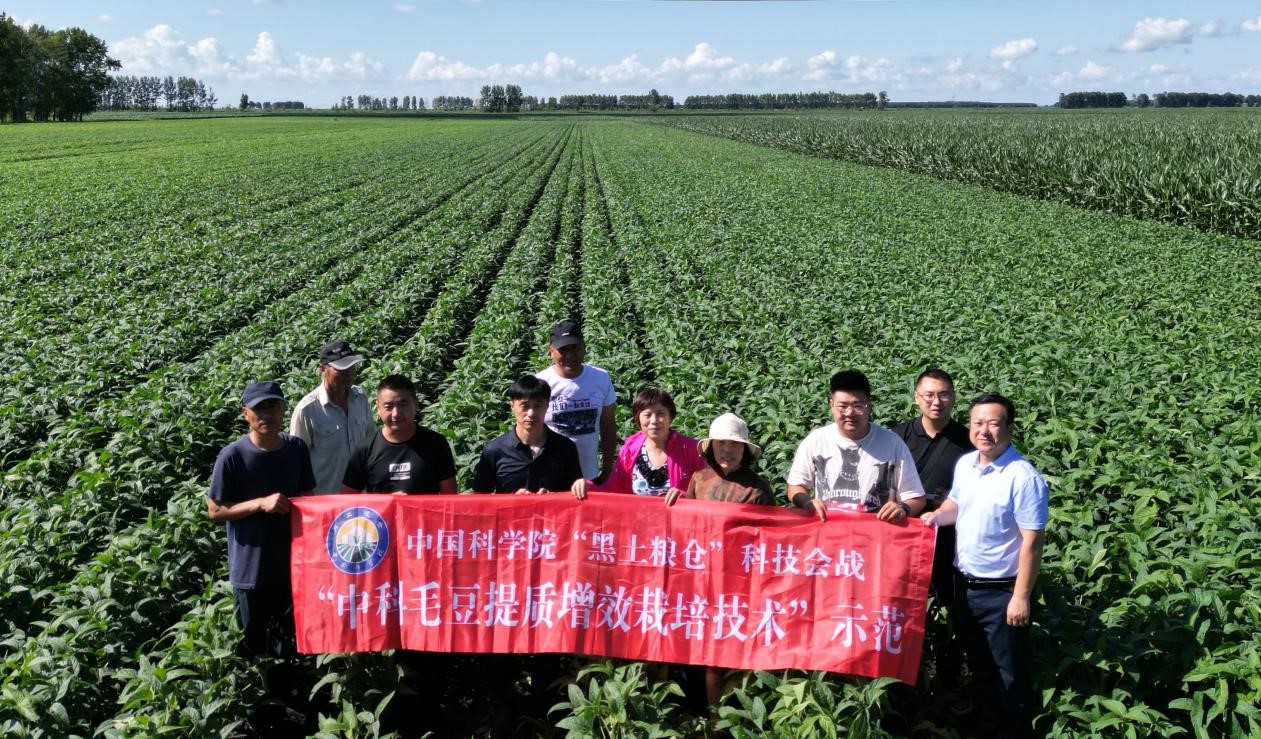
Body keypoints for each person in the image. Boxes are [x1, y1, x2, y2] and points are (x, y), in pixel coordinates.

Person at [922, 394, 1049, 739]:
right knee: (979, 666)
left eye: (994, 423)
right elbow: (956, 504)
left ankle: (1011, 732)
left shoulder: (1022, 477)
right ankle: (986, 727)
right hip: (964, 585)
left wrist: (1020, 597)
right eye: (978, 423)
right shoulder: (966, 464)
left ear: (1009, 428)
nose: (984, 431)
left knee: (1009, 674)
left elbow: (1033, 541)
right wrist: (936, 516)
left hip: (1002, 592)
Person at [665, 412, 773, 707]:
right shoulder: (699, 479)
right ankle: (704, 714)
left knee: (725, 654)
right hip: (702, 579)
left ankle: (724, 718)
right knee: (700, 648)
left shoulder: (758, 487)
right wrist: (678, 502)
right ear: (711, 447)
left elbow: (769, 537)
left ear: (745, 450)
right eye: (721, 444)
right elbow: (686, 527)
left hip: (739, 582)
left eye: (734, 444)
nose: (727, 450)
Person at [207, 380, 315, 658]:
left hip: (292, 565)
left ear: (283, 410)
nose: (267, 415)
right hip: (252, 571)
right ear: (246, 414)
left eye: (273, 407)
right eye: (259, 409)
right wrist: (259, 504)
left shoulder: (296, 448)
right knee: (254, 646)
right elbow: (215, 510)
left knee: (292, 644)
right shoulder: (232, 456)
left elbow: (308, 498)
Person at [787, 370, 926, 522]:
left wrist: (903, 508)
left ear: (869, 406)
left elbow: (916, 498)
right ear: (831, 405)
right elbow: (796, 487)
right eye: (842, 406)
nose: (849, 413)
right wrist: (807, 502)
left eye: (857, 405)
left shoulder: (892, 444)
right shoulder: (816, 440)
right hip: (829, 531)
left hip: (875, 532)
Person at [891, 368, 973, 602]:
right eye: (929, 395)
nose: (936, 402)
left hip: (948, 537)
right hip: (903, 532)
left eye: (944, 394)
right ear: (916, 398)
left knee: (947, 598)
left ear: (954, 397)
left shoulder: (968, 441)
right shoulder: (897, 437)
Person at [472, 375, 589, 496]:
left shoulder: (565, 447)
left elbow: (574, 495)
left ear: (547, 405)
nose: (531, 413)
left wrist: (554, 496)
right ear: (512, 406)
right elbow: (479, 499)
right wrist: (512, 499)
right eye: (525, 406)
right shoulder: (494, 450)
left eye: (537, 406)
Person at [341, 374, 457, 494]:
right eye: (388, 406)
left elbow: (450, 499)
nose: (396, 413)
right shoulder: (365, 449)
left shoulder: (436, 444)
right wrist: (390, 502)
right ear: (378, 408)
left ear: (416, 404)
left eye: (403, 404)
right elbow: (347, 500)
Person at [289, 339, 375, 494]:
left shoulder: (360, 398)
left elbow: (371, 442)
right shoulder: (307, 409)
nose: (348, 373)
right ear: (323, 369)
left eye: (351, 367)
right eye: (341, 369)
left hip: (361, 498)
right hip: (326, 499)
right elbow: (297, 462)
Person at [535, 320, 618, 483]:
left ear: (584, 347)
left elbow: (608, 426)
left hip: (589, 476)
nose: (570, 355)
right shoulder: (540, 383)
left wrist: (607, 469)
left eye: (575, 348)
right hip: (551, 479)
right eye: (563, 350)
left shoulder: (600, 378)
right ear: (551, 351)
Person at [596, 387, 706, 497]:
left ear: (670, 416)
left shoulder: (690, 449)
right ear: (638, 418)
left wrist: (685, 496)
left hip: (681, 509)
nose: (654, 421)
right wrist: (590, 486)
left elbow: (707, 489)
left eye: (660, 414)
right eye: (647, 415)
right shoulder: (629, 449)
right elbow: (613, 489)